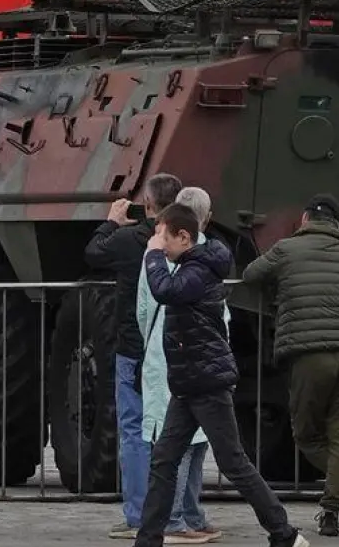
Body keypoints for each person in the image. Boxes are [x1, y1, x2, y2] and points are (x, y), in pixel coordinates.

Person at [132, 203, 309, 547]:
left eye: (162, 235)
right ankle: (148, 538)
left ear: (183, 236)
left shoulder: (197, 269)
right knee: (165, 459)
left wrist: (152, 258)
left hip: (207, 384)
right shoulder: (193, 263)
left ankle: (283, 532)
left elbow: (166, 290)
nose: (158, 242)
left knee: (233, 462)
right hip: (188, 383)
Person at [240, 193, 339, 537]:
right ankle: (332, 514)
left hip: (309, 354)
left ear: (304, 219)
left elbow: (250, 275)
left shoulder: (285, 249)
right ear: (337, 225)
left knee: (306, 434)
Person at [87, 173, 182, 540]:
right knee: (179, 431)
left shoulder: (128, 240)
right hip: (174, 346)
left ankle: (140, 513)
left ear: (147, 204)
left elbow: (93, 253)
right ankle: (176, 512)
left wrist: (111, 221)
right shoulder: (187, 240)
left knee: (134, 430)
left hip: (132, 347)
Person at [137, 186, 225, 546]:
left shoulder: (170, 251)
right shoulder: (198, 252)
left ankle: (185, 514)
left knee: (185, 445)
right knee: (184, 447)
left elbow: (144, 307)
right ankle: (176, 517)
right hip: (180, 356)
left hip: (176, 354)